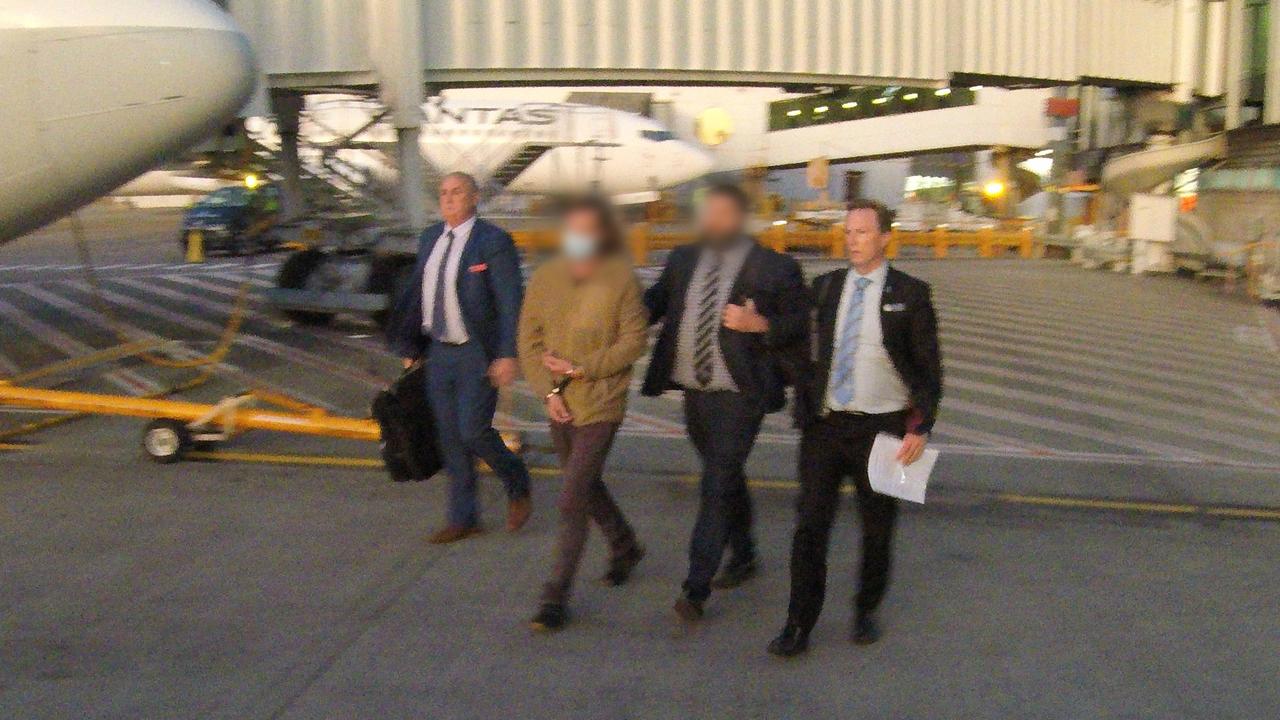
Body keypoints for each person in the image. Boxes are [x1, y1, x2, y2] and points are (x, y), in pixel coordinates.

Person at [767, 199, 943, 658]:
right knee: (809, 527)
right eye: (848, 232)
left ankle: (866, 607)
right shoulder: (826, 287)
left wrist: (920, 426)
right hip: (824, 427)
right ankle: (798, 622)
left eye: (862, 232)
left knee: (878, 526)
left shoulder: (911, 292)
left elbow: (928, 370)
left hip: (882, 430)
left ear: (885, 236)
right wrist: (762, 328)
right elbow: (793, 334)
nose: (852, 240)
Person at [641, 183, 809, 622]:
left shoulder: (774, 267)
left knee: (715, 482)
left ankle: (695, 589)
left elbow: (800, 323)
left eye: (722, 214)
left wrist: (760, 323)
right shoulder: (683, 259)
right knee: (725, 476)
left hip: (741, 394)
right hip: (695, 392)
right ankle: (746, 554)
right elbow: (652, 305)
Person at [517, 196, 649, 632]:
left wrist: (582, 369)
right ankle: (625, 544)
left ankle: (554, 596)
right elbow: (530, 340)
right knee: (586, 485)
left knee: (572, 495)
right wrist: (547, 391)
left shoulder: (620, 280)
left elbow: (633, 342)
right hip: (561, 403)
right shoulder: (545, 279)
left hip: (602, 401)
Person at [388, 172, 533, 544]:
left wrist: (506, 354)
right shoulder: (430, 238)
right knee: (450, 437)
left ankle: (516, 481)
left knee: (473, 431)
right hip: (439, 352)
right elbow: (419, 294)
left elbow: (509, 301)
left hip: (476, 352)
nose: (449, 199)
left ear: (473, 198)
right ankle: (463, 517)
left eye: (457, 193)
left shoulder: (492, 242)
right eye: (443, 193)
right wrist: (411, 345)